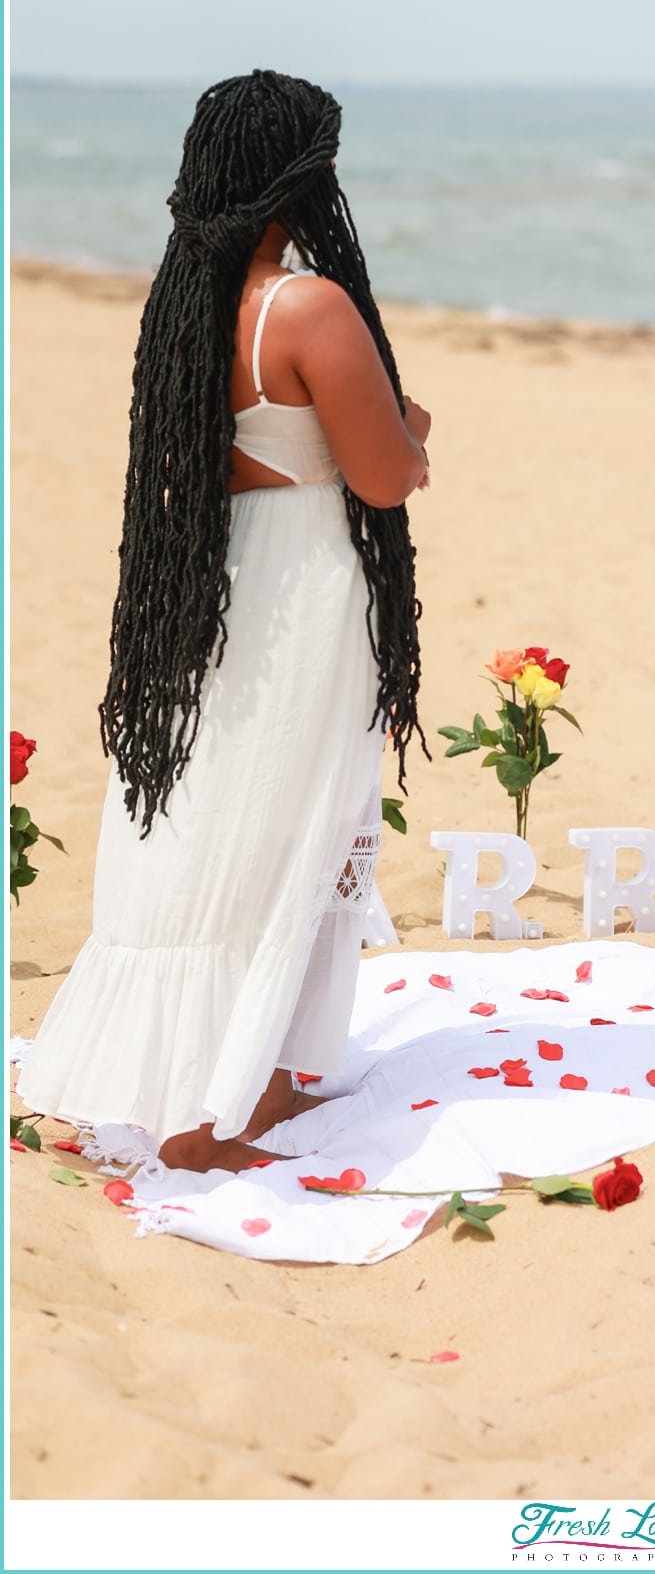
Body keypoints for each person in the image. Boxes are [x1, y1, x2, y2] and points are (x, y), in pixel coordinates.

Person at [18, 70, 433, 1171]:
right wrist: (415, 431)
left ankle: (210, 1083)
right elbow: (385, 478)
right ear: (305, 176)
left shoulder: (186, 297)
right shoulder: (306, 304)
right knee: (279, 820)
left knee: (207, 813)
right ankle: (211, 1118)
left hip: (209, 581)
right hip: (298, 586)